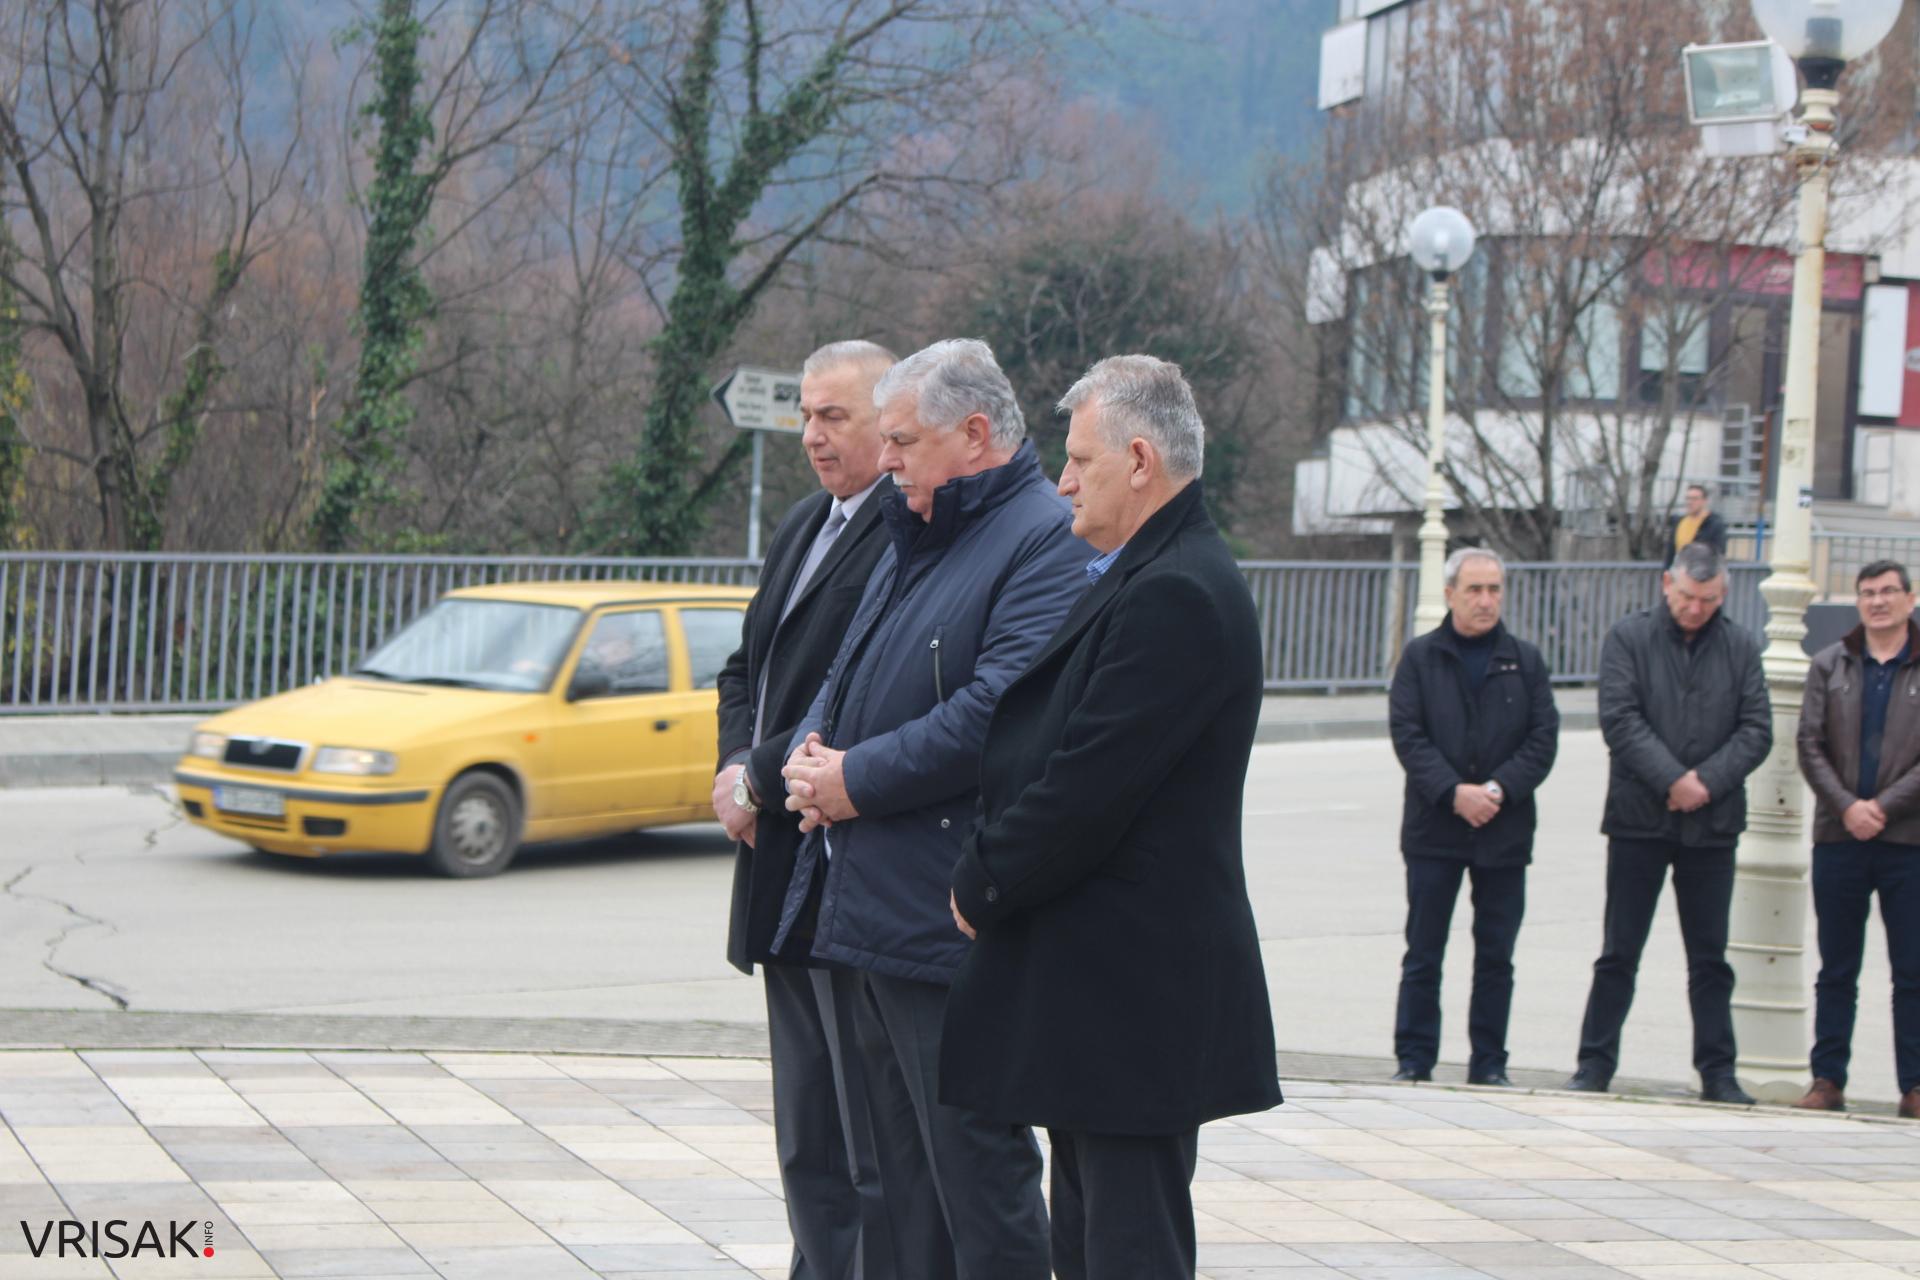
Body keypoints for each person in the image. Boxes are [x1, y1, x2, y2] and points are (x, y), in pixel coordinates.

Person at [940, 355, 1281, 1280]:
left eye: (1079, 461)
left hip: (1136, 999)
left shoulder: (1177, 592)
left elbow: (1085, 785)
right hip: (1105, 996)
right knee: (1088, 1242)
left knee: (1128, 1250)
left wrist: (982, 877)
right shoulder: (1148, 574)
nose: (1062, 482)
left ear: (1140, 459)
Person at [774, 337, 1088, 1280]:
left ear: (976, 434)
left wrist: (853, 778)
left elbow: (996, 710)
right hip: (872, 908)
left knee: (975, 1183)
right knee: (895, 1188)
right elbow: (851, 666)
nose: (889, 456)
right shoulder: (920, 526)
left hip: (942, 923)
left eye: (903, 439)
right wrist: (811, 754)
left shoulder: (1037, 538)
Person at [713, 340, 897, 1279]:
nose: (811, 435)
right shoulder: (802, 524)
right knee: (805, 1135)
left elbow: (851, 690)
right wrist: (735, 761)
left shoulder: (903, 527)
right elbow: (747, 664)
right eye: (805, 416)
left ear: (887, 421)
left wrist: (758, 776)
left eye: (834, 416)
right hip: (778, 865)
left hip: (842, 869)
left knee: (863, 1137)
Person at [1566, 542, 1771, 1103]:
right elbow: (1620, 718)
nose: (1695, 608)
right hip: (1638, 821)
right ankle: (1594, 1064)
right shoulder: (1629, 639)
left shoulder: (1741, 646)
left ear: (1723, 594)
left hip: (1713, 824)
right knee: (1619, 951)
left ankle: (1718, 1072)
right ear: (1666, 586)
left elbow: (1756, 729)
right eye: (1686, 597)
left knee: (1710, 958)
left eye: (1707, 599)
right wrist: (1672, 780)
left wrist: (1704, 782)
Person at [1387, 548, 1559, 1088]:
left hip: (1502, 831)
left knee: (1496, 956)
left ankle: (1489, 1063)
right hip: (1435, 829)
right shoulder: (1420, 657)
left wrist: (1497, 790)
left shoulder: (1524, 660)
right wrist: (1452, 792)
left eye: (1494, 590)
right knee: (1424, 952)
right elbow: (1408, 735)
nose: (1486, 601)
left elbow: (1542, 739)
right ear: (1450, 594)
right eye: (1475, 590)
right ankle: (1414, 1059)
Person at [1795, 560, 1920, 1117]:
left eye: (1888, 592)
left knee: (1912, 969)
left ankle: (1914, 1086)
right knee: (1836, 967)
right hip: (1839, 837)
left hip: (1908, 841)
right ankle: (1827, 1079)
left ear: (1910, 599)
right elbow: (1809, 745)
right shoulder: (1831, 665)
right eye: (1867, 593)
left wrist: (1882, 808)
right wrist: (1847, 807)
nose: (1877, 602)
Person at [1663, 483, 1729, 568]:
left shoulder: (1714, 524)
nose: (1690, 502)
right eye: (1688, 498)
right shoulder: (1679, 522)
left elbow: (1718, 553)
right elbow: (1671, 552)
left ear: (1704, 501)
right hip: (1680, 573)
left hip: (1702, 574)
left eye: (1695, 499)